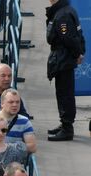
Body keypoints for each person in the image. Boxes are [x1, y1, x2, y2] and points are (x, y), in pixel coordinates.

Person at [46, 0, 85, 140]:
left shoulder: (63, 14)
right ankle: (64, 124)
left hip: (63, 59)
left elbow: (69, 38)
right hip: (63, 58)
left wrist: (78, 53)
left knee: (65, 94)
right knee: (63, 93)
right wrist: (79, 52)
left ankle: (67, 128)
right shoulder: (65, 9)